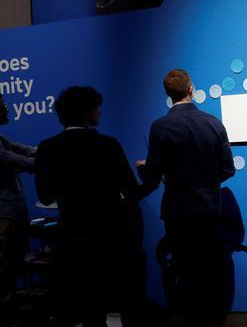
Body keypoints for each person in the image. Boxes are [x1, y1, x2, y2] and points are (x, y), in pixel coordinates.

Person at [35, 86, 146, 327]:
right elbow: (130, 190)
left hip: (72, 238)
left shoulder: (47, 147)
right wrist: (150, 181)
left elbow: (45, 195)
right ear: (87, 112)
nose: (100, 113)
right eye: (97, 108)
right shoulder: (108, 145)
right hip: (110, 239)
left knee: (87, 309)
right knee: (119, 302)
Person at [137, 69, 236, 327]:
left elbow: (152, 176)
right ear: (191, 88)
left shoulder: (160, 127)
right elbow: (228, 169)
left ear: (168, 93)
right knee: (211, 271)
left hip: (178, 213)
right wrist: (205, 180)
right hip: (209, 211)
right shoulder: (213, 123)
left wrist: (143, 168)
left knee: (185, 272)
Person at [0, 93, 36, 317]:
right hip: (4, 217)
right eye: (2, 104)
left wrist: (52, 150)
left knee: (12, 267)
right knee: (4, 269)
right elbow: (18, 159)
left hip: (11, 215)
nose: (6, 108)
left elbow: (24, 150)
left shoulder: (2, 139)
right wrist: (56, 158)